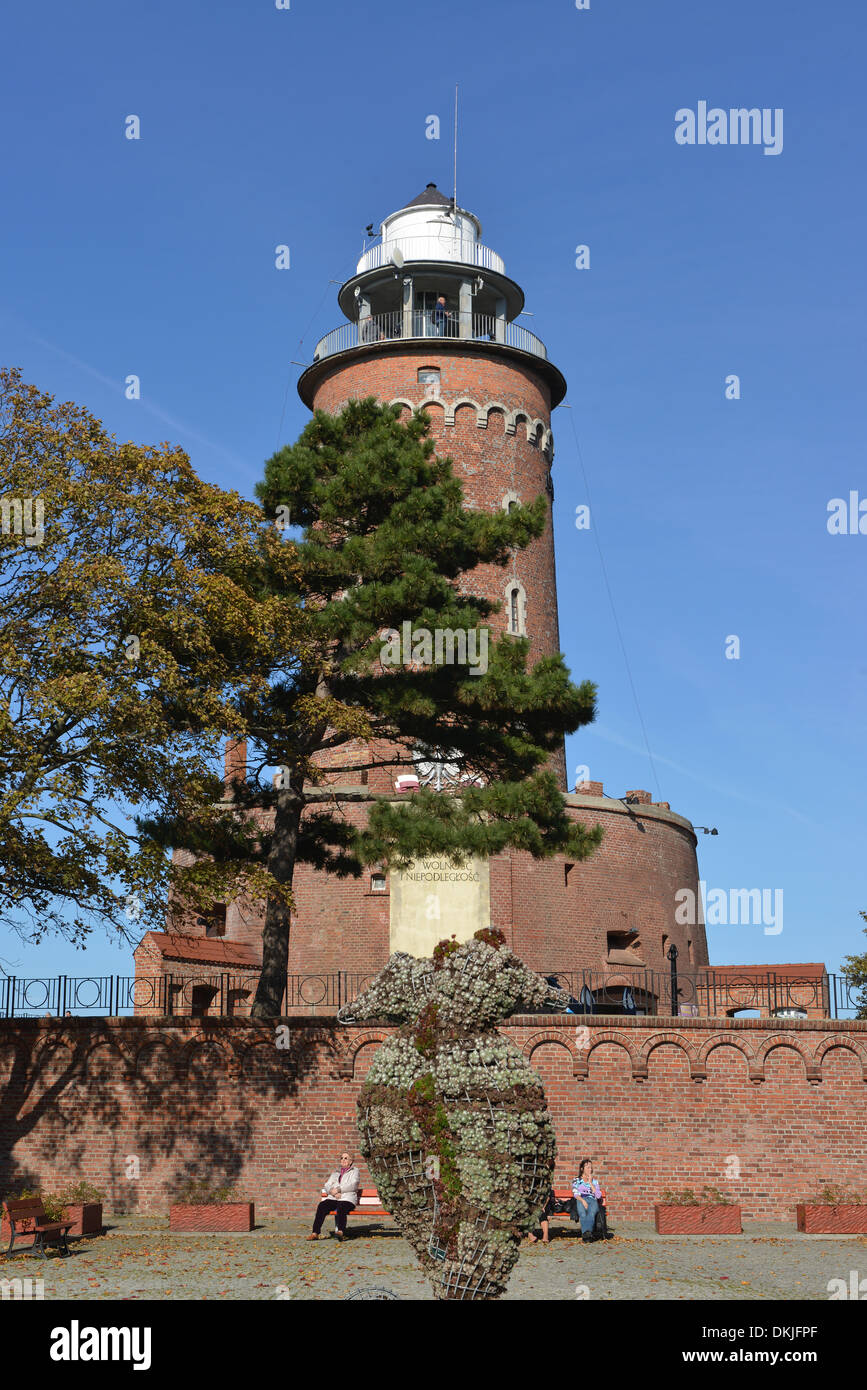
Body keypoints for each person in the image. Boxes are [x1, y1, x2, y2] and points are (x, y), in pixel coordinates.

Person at [306, 1151, 360, 1241]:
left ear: (351, 1161)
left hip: (347, 1198)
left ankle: (340, 1231)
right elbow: (327, 1185)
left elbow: (353, 1185)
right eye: (341, 1158)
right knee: (322, 1206)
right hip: (334, 1197)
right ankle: (315, 1233)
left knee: (341, 1206)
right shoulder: (335, 1173)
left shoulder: (355, 1171)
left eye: (346, 1158)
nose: (343, 1160)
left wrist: (339, 1190)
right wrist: (332, 1191)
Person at [572, 1158, 614, 1241]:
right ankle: (587, 1234)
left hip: (592, 1200)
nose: (590, 1169)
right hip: (581, 1199)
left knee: (591, 1213)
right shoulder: (576, 1180)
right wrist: (583, 1201)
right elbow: (575, 1193)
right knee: (582, 1214)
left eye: (591, 1167)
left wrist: (590, 1183)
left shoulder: (595, 1182)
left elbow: (598, 1196)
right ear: (582, 1169)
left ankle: (586, 1234)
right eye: (587, 1167)